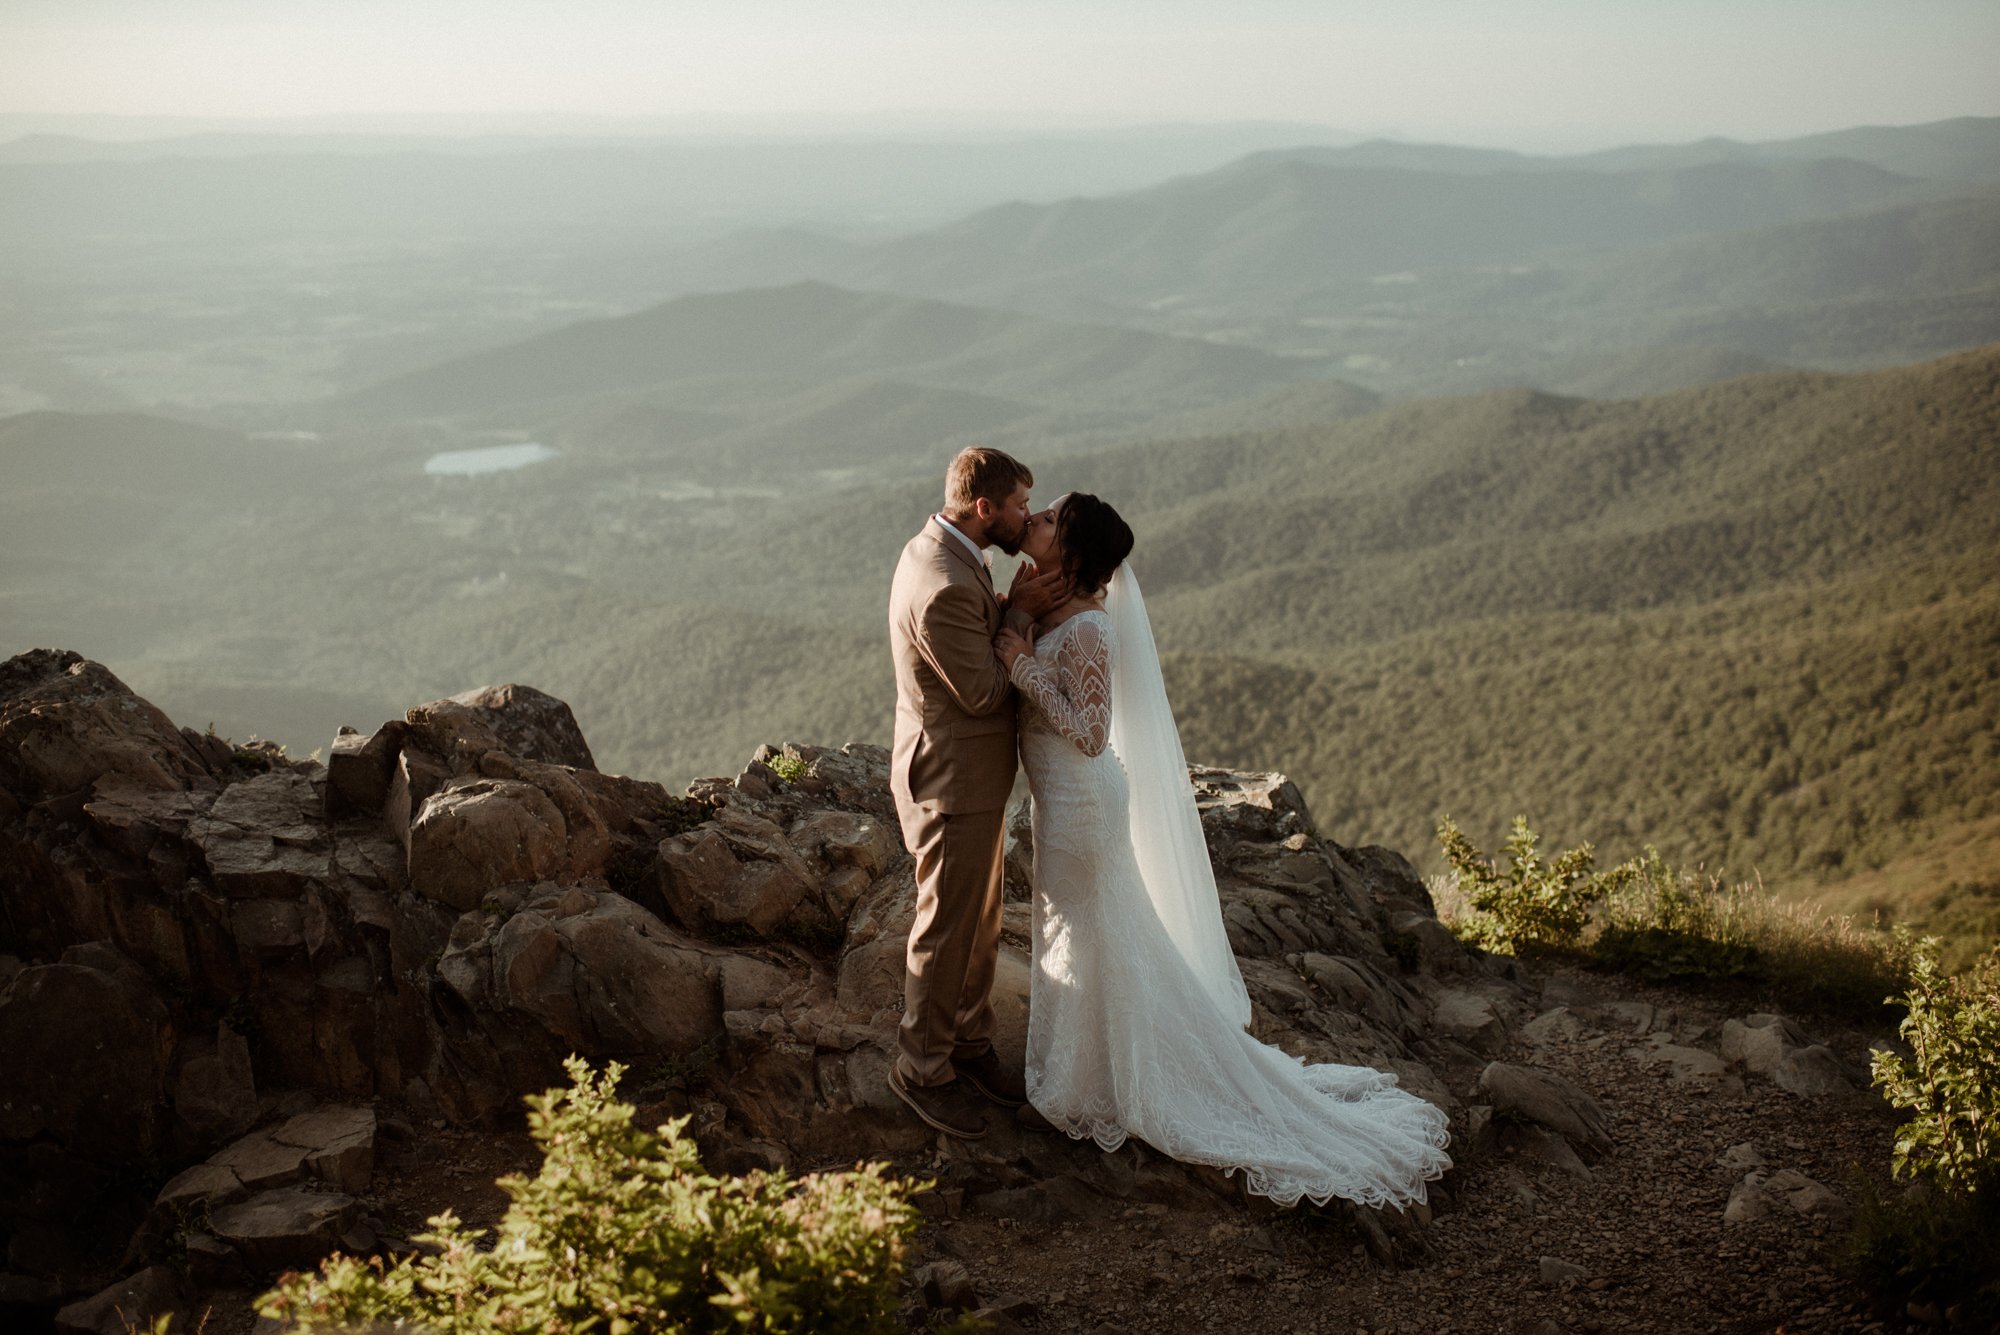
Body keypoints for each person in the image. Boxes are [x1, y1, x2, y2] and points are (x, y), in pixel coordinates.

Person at [992, 493, 1453, 1207]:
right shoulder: (1057, 613)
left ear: (1075, 554)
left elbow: (1089, 734)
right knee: (1098, 935)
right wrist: (1020, 627)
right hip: (1068, 805)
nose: (1038, 521)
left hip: (1084, 806)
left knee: (1090, 933)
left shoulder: (1088, 630)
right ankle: (1097, 1071)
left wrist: (1023, 667)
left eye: (1050, 519)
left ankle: (1110, 1081)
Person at [886, 446, 1069, 1139]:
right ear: (985, 507)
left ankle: (966, 1039)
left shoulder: (950, 548)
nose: (1028, 515)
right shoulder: (943, 584)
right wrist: (1018, 617)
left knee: (979, 921)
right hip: (952, 779)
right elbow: (986, 690)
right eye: (1022, 504)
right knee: (945, 929)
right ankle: (922, 1069)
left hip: (970, 777)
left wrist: (1000, 603)